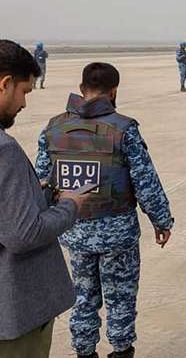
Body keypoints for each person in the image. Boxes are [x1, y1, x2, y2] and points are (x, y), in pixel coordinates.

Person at [35, 62, 175, 358]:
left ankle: (84, 353)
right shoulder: (124, 129)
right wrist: (161, 221)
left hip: (74, 232)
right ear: (113, 92)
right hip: (118, 235)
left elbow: (42, 182)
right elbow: (145, 181)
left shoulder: (53, 128)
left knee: (83, 298)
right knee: (120, 298)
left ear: (82, 88)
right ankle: (122, 352)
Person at [0, 40, 87, 358]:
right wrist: (70, 205)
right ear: (5, 83)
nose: (23, 103)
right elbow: (23, 234)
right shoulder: (4, 149)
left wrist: (34, 194)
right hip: (14, 316)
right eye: (23, 92)